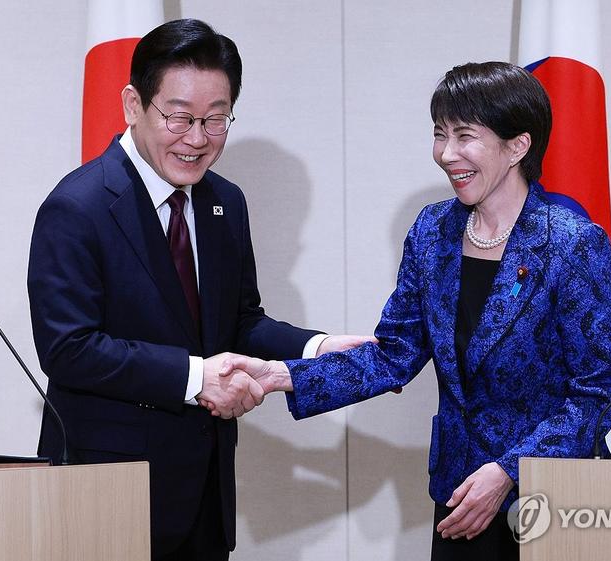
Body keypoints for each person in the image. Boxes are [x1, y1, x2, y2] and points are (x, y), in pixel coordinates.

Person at [222, 62, 611, 560]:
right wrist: (281, 375)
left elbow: (600, 390)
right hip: (459, 495)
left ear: (518, 146)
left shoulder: (571, 243)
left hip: (549, 501)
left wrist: (509, 471)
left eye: (465, 136)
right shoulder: (433, 232)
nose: (446, 153)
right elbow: (394, 354)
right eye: (440, 134)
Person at [27, 18, 370, 561]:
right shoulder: (77, 207)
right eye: (180, 117)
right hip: (107, 493)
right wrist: (196, 377)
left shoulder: (224, 202)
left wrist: (318, 349)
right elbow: (69, 349)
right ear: (133, 105)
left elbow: (241, 321)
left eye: (215, 119)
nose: (197, 139)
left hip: (205, 495)